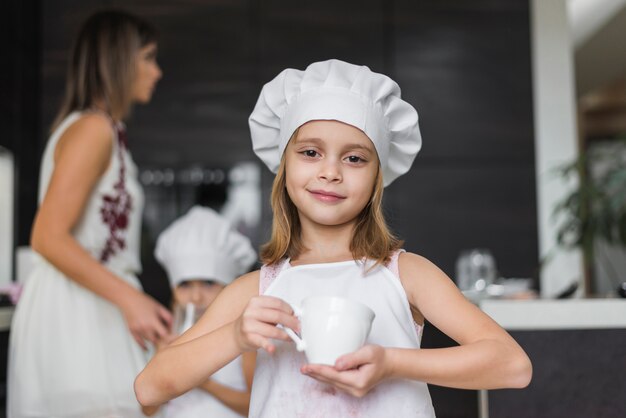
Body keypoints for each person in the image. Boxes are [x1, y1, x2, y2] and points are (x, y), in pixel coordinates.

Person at [134, 59, 532, 417]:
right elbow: (149, 387)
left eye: (354, 158)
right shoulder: (255, 291)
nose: (331, 171)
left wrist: (393, 363)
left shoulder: (407, 274)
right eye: (310, 152)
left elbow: (512, 365)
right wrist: (236, 335)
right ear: (284, 166)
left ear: (377, 177)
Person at [8, 10, 170, 418]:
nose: (157, 71)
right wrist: (131, 299)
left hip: (94, 301)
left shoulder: (104, 131)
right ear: (120, 59)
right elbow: (47, 236)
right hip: (77, 310)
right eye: (149, 57)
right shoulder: (93, 130)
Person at [144, 205, 257, 417]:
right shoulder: (166, 335)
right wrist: (161, 366)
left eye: (208, 283)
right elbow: (147, 408)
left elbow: (257, 406)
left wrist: (204, 382)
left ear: (229, 288)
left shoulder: (244, 336)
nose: (196, 297)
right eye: (185, 285)